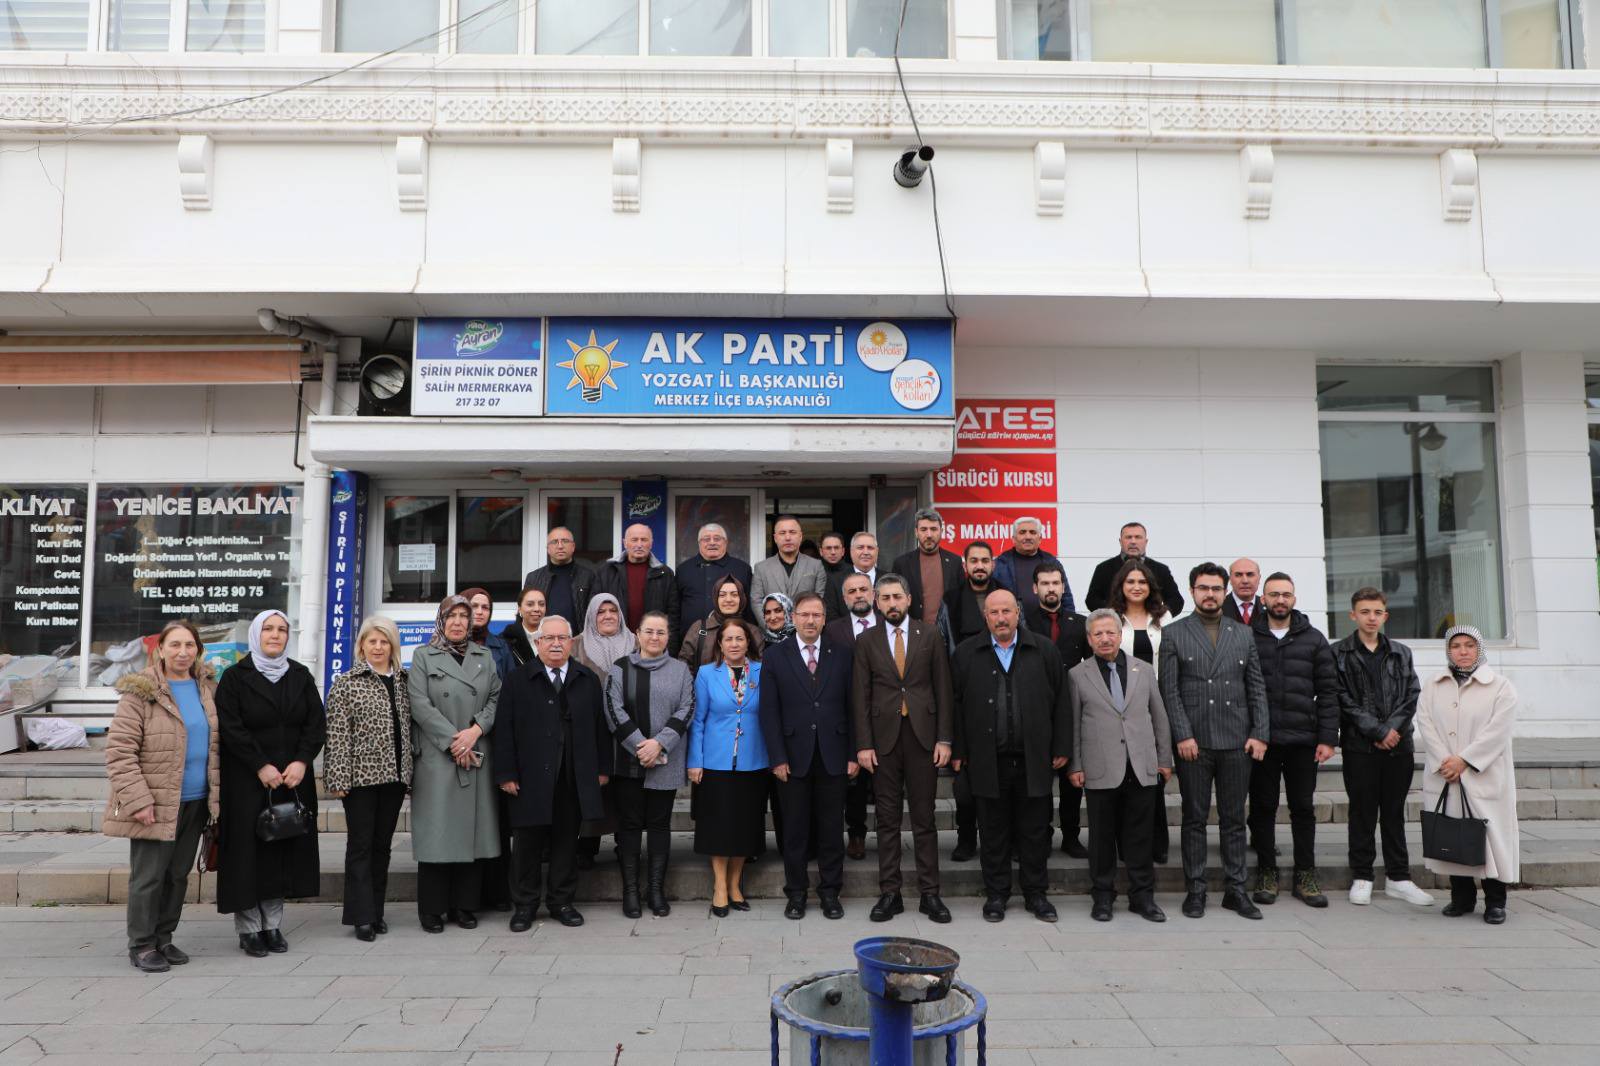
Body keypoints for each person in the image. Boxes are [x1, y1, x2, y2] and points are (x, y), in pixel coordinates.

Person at [105, 620, 219, 973]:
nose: (183, 652)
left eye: (190, 645)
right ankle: (141, 943)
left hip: (197, 799)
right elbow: (120, 751)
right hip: (154, 802)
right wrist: (139, 800)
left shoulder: (208, 688)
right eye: (175, 645)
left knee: (178, 875)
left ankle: (164, 937)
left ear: (198, 650)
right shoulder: (141, 691)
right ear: (161, 649)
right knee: (149, 876)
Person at [951, 590, 1069, 924]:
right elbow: (955, 706)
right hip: (987, 760)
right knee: (993, 832)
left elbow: (1061, 701)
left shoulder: (1043, 649)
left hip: (1035, 759)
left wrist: (1061, 747)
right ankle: (997, 895)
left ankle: (1036, 895)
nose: (1001, 618)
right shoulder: (966, 653)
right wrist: (959, 750)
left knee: (1034, 831)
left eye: (1006, 611)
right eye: (993, 612)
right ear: (984, 617)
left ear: (1018, 612)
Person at [1158, 563, 1269, 920]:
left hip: (1237, 740)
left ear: (1225, 592)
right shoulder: (1174, 633)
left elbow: (1256, 686)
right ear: (1192, 591)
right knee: (1194, 818)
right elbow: (1169, 690)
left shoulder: (1243, 633)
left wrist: (1259, 732)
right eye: (1203, 588)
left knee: (1235, 818)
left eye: (1216, 588)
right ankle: (1196, 890)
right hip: (1196, 743)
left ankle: (1236, 890)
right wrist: (1182, 734)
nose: (1210, 594)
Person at [215, 610, 324, 956]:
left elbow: (315, 724)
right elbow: (231, 727)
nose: (275, 635)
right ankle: (249, 928)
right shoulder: (235, 677)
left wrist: (302, 761)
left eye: (282, 630)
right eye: (269, 629)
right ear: (256, 635)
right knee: (248, 854)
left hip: (291, 781)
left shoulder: (300, 675)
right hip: (247, 782)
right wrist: (259, 765)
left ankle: (272, 925)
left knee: (281, 851)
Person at [494, 614, 612, 930]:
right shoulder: (518, 680)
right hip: (529, 777)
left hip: (572, 777)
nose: (557, 643)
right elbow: (504, 730)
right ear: (537, 642)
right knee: (527, 845)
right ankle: (525, 906)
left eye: (563, 638)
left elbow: (600, 729)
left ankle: (561, 901)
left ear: (571, 643)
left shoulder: (587, 679)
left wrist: (602, 769)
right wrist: (506, 773)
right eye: (550, 638)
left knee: (565, 844)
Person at [852, 574, 954, 924]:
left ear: (908, 599)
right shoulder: (866, 640)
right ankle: (889, 893)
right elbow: (860, 695)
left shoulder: (930, 635)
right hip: (883, 741)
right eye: (885, 598)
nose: (892, 603)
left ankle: (931, 894)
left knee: (925, 818)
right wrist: (863, 744)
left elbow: (943, 689)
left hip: (924, 738)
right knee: (888, 819)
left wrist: (945, 739)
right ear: (877, 603)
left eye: (897, 596)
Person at [1331, 587, 1434, 908]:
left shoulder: (1401, 653)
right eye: (1364, 612)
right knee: (1362, 812)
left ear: (1385, 615)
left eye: (1377, 612)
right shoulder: (1340, 654)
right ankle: (1362, 875)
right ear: (1353, 615)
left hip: (1397, 747)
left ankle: (1398, 878)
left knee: (1393, 813)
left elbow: (1411, 693)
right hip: (1359, 747)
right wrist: (1376, 730)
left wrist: (1392, 730)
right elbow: (1342, 698)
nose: (1371, 618)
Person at [1069, 609, 1172, 923]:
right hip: (1101, 767)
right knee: (1101, 838)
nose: (1104, 638)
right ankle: (1103, 896)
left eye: (1110, 632)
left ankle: (1143, 897)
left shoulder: (1143, 669)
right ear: (1089, 638)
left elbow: (1159, 716)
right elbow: (1073, 723)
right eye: (1097, 634)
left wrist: (1164, 758)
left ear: (1119, 634)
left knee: (1140, 836)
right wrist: (1075, 764)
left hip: (1141, 766)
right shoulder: (1077, 674)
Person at [759, 593, 856, 920]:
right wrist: (777, 758)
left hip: (834, 754)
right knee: (795, 831)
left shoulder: (842, 655)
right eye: (804, 615)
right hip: (792, 757)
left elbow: (853, 707)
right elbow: (769, 711)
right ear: (794, 618)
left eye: (816, 615)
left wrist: (854, 753)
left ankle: (830, 893)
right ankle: (796, 894)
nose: (810, 621)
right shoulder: (775, 656)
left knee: (831, 830)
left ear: (825, 618)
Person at [408, 594, 501, 933]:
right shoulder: (423, 656)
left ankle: (464, 906)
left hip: (474, 753)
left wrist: (475, 731)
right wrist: (453, 741)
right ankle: (432, 909)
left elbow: (495, 698)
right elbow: (419, 704)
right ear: (442, 620)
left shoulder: (485, 657)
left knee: (470, 833)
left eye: (465, 616)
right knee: (438, 833)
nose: (459, 622)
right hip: (438, 758)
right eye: (453, 616)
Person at [1245, 573, 1338, 909]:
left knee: (1303, 809)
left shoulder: (1313, 639)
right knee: (1263, 809)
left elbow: (1328, 691)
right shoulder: (1248, 636)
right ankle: (1266, 872)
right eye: (1273, 594)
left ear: (1294, 599)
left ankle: (1305, 874)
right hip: (1262, 741)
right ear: (1263, 598)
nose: (1280, 600)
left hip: (1303, 739)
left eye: (1286, 594)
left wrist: (1328, 737)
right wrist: (1252, 733)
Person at [1417, 626, 1519, 925]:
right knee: (1453, 835)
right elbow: (1425, 723)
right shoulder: (1434, 685)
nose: (1463, 651)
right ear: (1448, 650)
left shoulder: (1500, 687)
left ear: (1480, 649)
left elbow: (1498, 731)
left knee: (1491, 838)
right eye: (1456, 645)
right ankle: (1461, 898)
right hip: (1445, 774)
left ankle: (1496, 902)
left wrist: (1466, 760)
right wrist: (1445, 761)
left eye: (1470, 645)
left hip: (1484, 775)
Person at [323, 616, 412, 941]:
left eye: (384, 641)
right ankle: (361, 916)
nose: (378, 647)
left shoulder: (403, 680)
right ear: (361, 645)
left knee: (382, 847)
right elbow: (336, 733)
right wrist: (337, 777)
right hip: (360, 778)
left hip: (394, 777)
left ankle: (376, 911)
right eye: (371, 641)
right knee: (360, 846)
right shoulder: (347, 682)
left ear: (392, 646)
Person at [604, 611, 695, 918]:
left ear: (668, 637)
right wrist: (642, 746)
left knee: (659, 825)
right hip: (628, 762)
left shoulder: (681, 670)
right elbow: (612, 710)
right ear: (638, 635)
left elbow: (687, 708)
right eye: (649, 632)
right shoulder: (620, 669)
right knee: (629, 826)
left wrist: (660, 744)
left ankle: (655, 891)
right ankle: (630, 892)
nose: (654, 637)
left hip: (665, 761)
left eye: (660, 632)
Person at [690, 619, 769, 916]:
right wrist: (695, 761)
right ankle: (720, 886)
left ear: (748, 642)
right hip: (716, 761)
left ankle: (736, 883)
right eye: (729, 639)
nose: (735, 643)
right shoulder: (707, 674)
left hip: (753, 761)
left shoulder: (762, 672)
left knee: (745, 827)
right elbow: (698, 720)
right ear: (719, 644)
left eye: (740, 638)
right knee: (719, 827)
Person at [1023, 560, 1092, 859]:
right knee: (1037, 783)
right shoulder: (1023, 621)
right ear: (1035, 588)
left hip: (1073, 710)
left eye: (1056, 583)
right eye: (1045, 583)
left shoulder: (1080, 623)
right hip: (1035, 710)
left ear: (1063, 587)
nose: (1051, 588)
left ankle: (1071, 835)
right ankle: (1041, 834)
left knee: (1071, 781)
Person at [1111, 557, 1174, 864]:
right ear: (1121, 586)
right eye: (1130, 582)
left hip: (1156, 707)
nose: (1136, 587)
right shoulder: (1110, 620)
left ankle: (1156, 844)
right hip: (1121, 709)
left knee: (1153, 777)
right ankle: (1125, 844)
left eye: (1142, 582)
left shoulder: (1165, 620)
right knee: (1124, 777)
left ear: (1151, 587)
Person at [570, 593, 635, 869]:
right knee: (592, 789)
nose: (608, 616)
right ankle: (586, 848)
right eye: (601, 611)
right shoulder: (575, 645)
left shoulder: (637, 644)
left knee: (625, 792)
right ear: (591, 615)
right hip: (588, 733)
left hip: (629, 733)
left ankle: (626, 847)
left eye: (613, 610)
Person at [941, 541, 994, 863]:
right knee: (964, 787)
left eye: (984, 560)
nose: (979, 565)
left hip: (1000, 693)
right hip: (963, 693)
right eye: (973, 560)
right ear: (965, 564)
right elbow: (944, 639)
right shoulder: (952, 599)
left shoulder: (1005, 595)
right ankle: (965, 838)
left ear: (992, 564)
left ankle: (996, 840)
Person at [823, 570, 878, 862]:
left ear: (873, 593)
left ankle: (889, 835)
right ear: (844, 598)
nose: (858, 595)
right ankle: (856, 833)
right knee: (853, 778)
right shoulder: (832, 629)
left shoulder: (889, 624)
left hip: (885, 712)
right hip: (845, 711)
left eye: (863, 589)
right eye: (852, 591)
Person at [466, 586, 515, 908]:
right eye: (473, 606)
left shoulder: (501, 648)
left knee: (496, 821)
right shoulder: (442, 647)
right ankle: (468, 894)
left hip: (492, 740)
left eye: (485, 606)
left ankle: (498, 893)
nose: (480, 611)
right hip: (458, 742)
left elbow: (508, 696)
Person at [595, 523, 681, 645]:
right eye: (634, 540)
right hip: (614, 644)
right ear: (625, 543)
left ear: (651, 543)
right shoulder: (606, 572)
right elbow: (594, 611)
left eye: (644, 540)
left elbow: (673, 616)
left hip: (652, 645)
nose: (639, 545)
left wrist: (670, 649)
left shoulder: (665, 574)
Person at [1084, 521, 1185, 616]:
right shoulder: (1104, 568)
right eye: (1128, 537)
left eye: (1138, 537)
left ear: (1146, 541)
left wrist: (1159, 616)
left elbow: (1176, 600)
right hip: (1115, 629)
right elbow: (1092, 600)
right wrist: (1112, 614)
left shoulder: (1160, 569)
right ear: (1120, 541)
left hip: (1150, 629)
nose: (1133, 541)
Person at [891, 507, 964, 627]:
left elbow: (961, 599)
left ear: (941, 531)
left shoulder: (954, 561)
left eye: (933, 529)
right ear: (916, 532)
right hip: (913, 633)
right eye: (924, 529)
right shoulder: (902, 564)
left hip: (948, 632)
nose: (929, 535)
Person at [675, 523, 754, 632]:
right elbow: (675, 610)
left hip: (732, 640)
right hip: (690, 640)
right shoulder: (683, 570)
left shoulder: (742, 569)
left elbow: (750, 609)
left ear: (725, 542)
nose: (712, 542)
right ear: (699, 543)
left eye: (717, 539)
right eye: (706, 539)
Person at [680, 574, 765, 666]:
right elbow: (684, 667)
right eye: (722, 595)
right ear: (716, 599)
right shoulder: (699, 629)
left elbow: (759, 669)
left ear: (742, 599)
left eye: (734, 594)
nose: (728, 599)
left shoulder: (753, 632)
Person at [523, 525, 596, 628]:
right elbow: (524, 612)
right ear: (548, 549)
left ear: (573, 547)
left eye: (565, 541)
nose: (560, 546)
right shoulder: (533, 578)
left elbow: (595, 613)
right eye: (554, 542)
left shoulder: (588, 577)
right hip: (543, 640)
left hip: (578, 641)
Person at [751, 514, 828, 606]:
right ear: (775, 538)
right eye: (782, 533)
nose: (788, 538)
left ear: (800, 536)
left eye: (792, 532)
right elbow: (756, 602)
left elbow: (819, 601)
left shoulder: (816, 566)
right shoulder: (761, 568)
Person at [991, 517, 1064, 613]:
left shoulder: (1052, 562)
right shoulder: (1000, 564)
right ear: (1013, 539)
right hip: (1012, 625)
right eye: (1022, 532)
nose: (1028, 537)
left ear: (1040, 539)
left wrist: (1068, 624)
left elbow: (1065, 597)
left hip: (1047, 624)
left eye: (1032, 532)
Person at [824, 532, 880, 620]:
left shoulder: (889, 579)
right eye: (860, 547)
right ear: (851, 551)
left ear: (877, 551)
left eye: (870, 548)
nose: (865, 552)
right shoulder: (834, 581)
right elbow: (831, 618)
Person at [465, 587, 514, 680]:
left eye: (485, 608)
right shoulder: (451, 644)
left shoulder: (501, 646)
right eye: (474, 606)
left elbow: (511, 684)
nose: (480, 612)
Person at [499, 585, 547, 670]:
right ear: (519, 609)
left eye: (541, 604)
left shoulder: (555, 637)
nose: (537, 609)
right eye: (530, 604)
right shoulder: (505, 640)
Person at [1223, 559, 1262, 624]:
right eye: (1238, 575)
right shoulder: (1218, 607)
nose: (1245, 581)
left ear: (1259, 578)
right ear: (1230, 579)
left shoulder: (1268, 607)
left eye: (1250, 575)